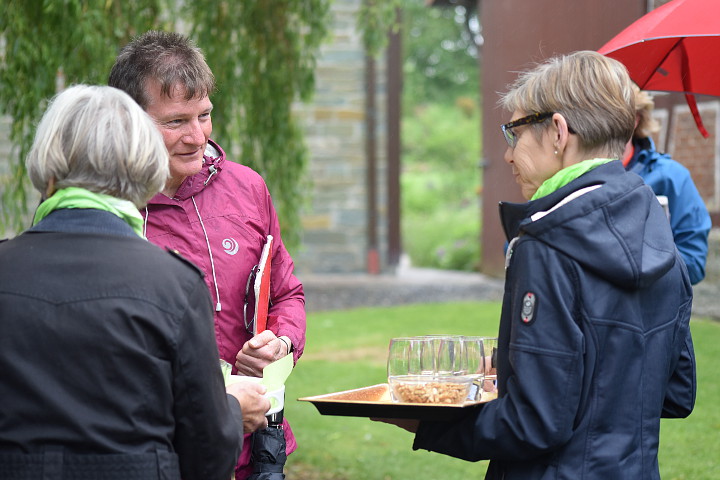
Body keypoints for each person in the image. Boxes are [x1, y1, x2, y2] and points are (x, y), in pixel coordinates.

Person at [377, 51, 696, 479]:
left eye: (515, 133)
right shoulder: (657, 227)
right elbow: (674, 392)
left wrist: (426, 425)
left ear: (559, 133)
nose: (508, 156)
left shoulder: (548, 242)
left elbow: (533, 424)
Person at [0, 85, 270, 480]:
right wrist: (231, 408)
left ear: (48, 165)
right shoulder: (174, 284)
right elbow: (206, 453)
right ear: (145, 165)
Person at [108, 30, 306, 479]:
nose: (197, 137)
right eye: (176, 122)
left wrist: (281, 343)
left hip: (255, 448)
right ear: (127, 120)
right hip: (158, 451)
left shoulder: (247, 187)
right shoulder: (109, 208)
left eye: (205, 115)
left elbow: (287, 293)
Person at [622, 85, 711, 285]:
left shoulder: (672, 177)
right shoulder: (575, 174)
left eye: (615, 113)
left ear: (636, 119)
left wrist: (641, 256)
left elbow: (694, 263)